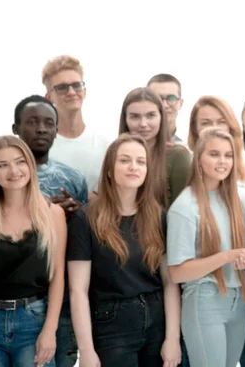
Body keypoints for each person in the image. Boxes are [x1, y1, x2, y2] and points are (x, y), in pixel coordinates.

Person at [67, 134, 182, 367]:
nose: (134, 167)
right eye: (125, 160)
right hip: (111, 326)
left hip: (157, 319)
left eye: (141, 161)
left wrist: (172, 339)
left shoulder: (157, 215)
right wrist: (86, 350)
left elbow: (170, 282)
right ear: (109, 169)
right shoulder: (86, 219)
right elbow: (78, 290)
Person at [167, 127, 245, 367]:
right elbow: (177, 272)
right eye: (214, 154)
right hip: (205, 301)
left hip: (238, 299)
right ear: (199, 159)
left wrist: (243, 257)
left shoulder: (234, 200)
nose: (223, 161)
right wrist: (227, 256)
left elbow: (236, 250)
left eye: (228, 155)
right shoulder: (185, 206)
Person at [187, 96, 245, 366]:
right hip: (203, 282)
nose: (214, 128)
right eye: (205, 123)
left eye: (221, 122)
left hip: (244, 276)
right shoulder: (190, 170)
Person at [12, 95, 87, 366]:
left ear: (57, 130)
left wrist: (78, 213)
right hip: (15, 298)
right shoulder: (4, 177)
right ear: (15, 129)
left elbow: (87, 241)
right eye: (32, 122)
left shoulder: (74, 179)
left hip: (64, 299)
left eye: (48, 123)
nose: (41, 129)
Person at [0, 135, 67, 367]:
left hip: (33, 321)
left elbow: (57, 278)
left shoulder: (52, 214)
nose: (13, 170)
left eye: (20, 161)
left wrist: (49, 331)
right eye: (2, 165)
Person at [42, 55, 111, 196]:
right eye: (62, 87)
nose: (71, 92)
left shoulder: (105, 145)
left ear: (84, 91)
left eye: (76, 85)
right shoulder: (40, 147)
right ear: (49, 97)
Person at [118, 87, 191, 207]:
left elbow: (183, 211)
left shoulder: (177, 156)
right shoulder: (115, 155)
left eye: (150, 115)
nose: (143, 124)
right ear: (125, 119)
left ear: (161, 117)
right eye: (135, 117)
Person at [147, 74, 187, 146]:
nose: (164, 105)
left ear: (180, 103)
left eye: (171, 98)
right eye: (157, 98)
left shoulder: (188, 149)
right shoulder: (128, 148)